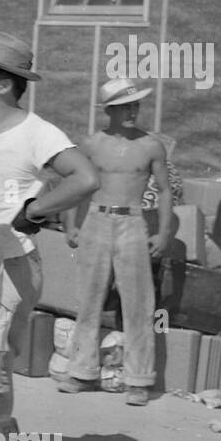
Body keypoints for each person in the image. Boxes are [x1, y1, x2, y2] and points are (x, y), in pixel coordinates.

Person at [0, 32, 98, 417]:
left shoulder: (37, 133)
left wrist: (35, 210)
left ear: (5, 84)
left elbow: (85, 179)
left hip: (9, 263)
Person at [57, 78, 172, 406]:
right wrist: (71, 225)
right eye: (125, 106)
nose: (132, 112)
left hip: (133, 221)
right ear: (109, 110)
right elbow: (77, 184)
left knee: (138, 303)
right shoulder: (92, 144)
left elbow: (164, 191)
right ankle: (81, 372)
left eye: (136, 105)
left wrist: (162, 233)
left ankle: (138, 380)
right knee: (88, 298)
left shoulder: (151, 145)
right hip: (96, 219)